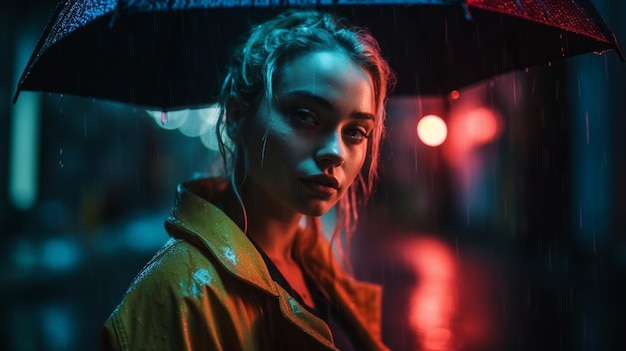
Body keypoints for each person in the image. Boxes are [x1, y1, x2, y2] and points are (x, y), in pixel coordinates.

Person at [99, 8, 395, 351]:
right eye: (306, 116)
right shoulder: (180, 292)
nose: (336, 152)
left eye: (356, 132)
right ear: (238, 117)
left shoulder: (318, 269)